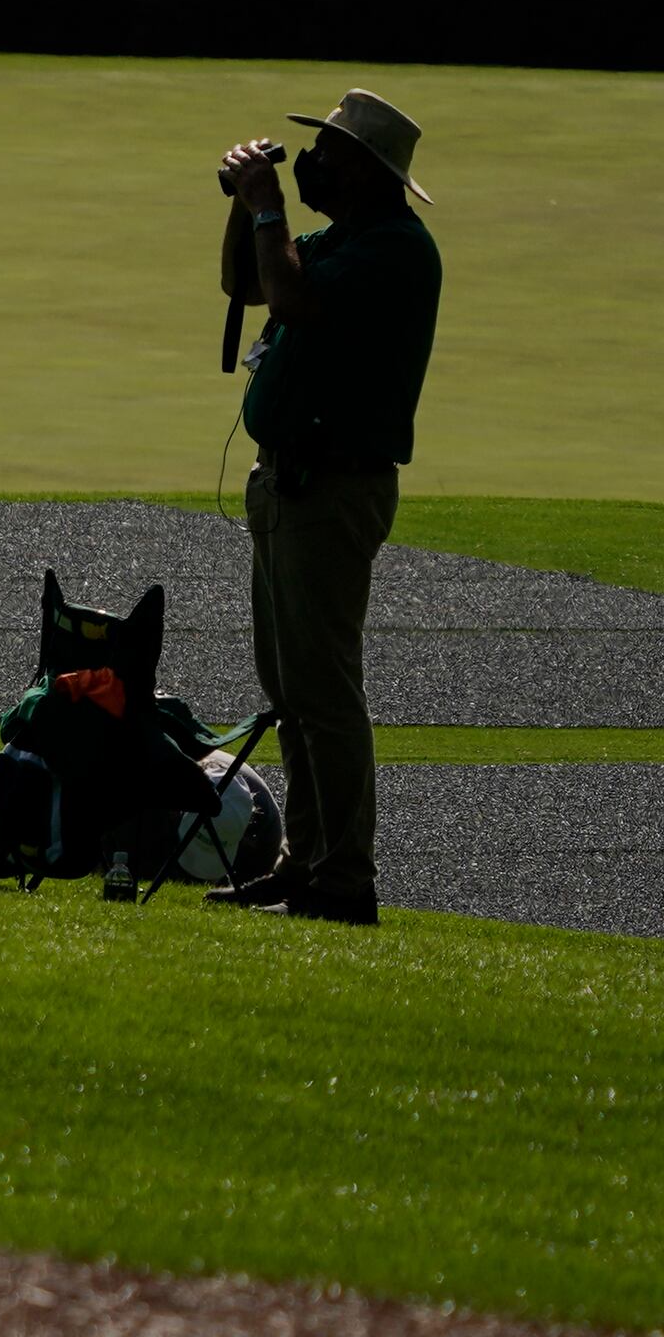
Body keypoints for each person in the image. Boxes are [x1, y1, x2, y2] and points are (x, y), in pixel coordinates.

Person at [207, 90, 441, 926]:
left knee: (325, 690)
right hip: (289, 481)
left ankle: (343, 880)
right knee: (289, 685)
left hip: (333, 485)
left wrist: (268, 207)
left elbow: (294, 299)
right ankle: (302, 862)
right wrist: (248, 208)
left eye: (331, 153)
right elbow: (248, 279)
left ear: (370, 174)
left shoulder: (397, 251)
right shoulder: (344, 237)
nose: (315, 164)